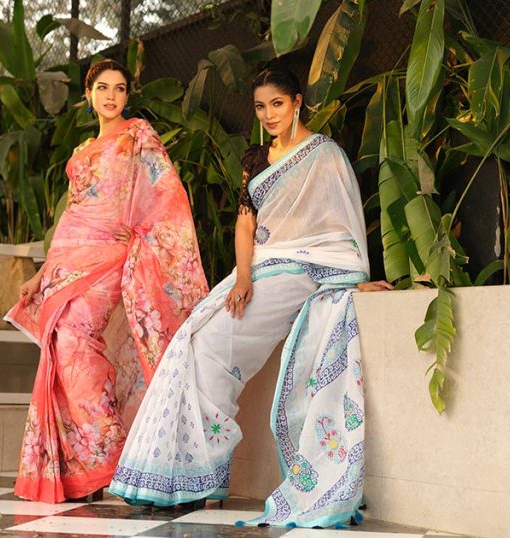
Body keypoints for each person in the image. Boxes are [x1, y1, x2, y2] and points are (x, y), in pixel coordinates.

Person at [108, 66, 392, 528]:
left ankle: (196, 476)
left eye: (277, 104)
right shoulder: (256, 158)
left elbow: (341, 225)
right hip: (257, 268)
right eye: (261, 107)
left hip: (303, 270)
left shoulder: (325, 155)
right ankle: (184, 478)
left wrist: (351, 278)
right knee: (193, 344)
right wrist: (243, 278)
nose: (269, 115)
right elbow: (246, 222)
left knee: (213, 348)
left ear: (297, 102)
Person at [5, 59, 208, 504]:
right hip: (69, 260)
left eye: (119, 88)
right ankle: (88, 465)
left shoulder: (137, 136)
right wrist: (42, 273)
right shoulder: (81, 152)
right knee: (62, 343)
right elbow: (71, 216)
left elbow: (167, 196)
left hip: (112, 256)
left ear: (127, 96)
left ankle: (113, 450)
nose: (111, 95)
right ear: (88, 94)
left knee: (77, 337)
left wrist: (146, 247)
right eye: (102, 87)